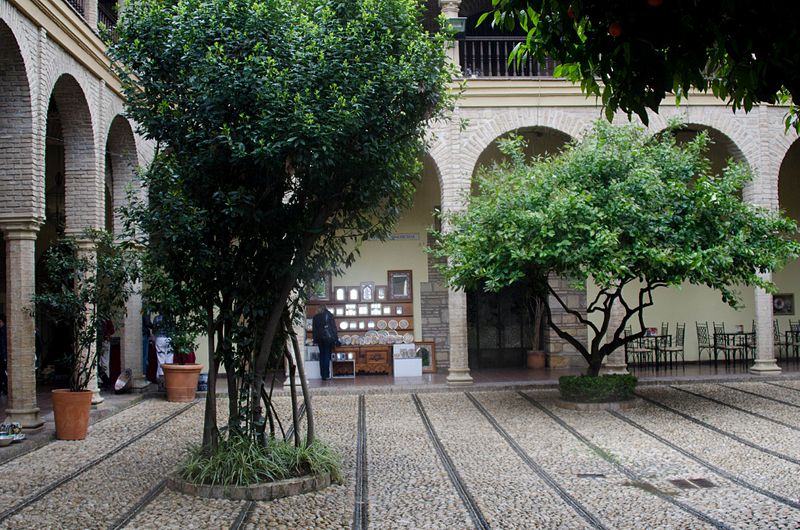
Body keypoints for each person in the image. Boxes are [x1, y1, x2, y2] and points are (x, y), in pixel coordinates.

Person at [311, 304, 338, 380]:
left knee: (322, 356)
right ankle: (326, 374)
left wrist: (315, 340)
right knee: (327, 356)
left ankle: (322, 375)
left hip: (319, 339)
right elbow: (333, 328)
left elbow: (314, 330)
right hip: (327, 338)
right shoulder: (329, 315)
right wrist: (335, 338)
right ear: (325, 308)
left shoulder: (315, 317)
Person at [152, 313, 173, 390]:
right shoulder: (170, 318)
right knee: (169, 360)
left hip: (159, 339)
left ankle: (161, 384)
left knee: (160, 361)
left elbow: (154, 330)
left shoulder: (156, 318)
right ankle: (168, 382)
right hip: (169, 339)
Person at [0, 314, 7, 396]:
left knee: (3, 373)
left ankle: (4, 389)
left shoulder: (4, 330)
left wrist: (5, 356)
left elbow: (3, 344)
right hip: (2, 355)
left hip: (3, 356)